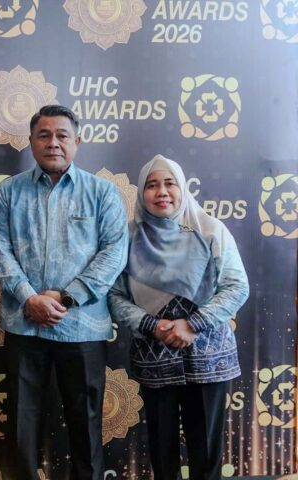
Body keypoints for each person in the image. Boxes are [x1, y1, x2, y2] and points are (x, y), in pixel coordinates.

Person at [0, 105, 128, 480]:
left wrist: (65, 298)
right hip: (25, 324)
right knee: (21, 422)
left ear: (76, 141)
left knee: (86, 422)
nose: (53, 143)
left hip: (83, 327)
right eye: (44, 135)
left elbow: (114, 253)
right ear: (31, 142)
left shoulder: (102, 193)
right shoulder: (9, 192)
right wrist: (30, 298)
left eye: (62, 135)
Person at [108, 154, 248, 480]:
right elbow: (113, 295)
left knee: (207, 452)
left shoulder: (210, 230)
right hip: (154, 357)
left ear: (183, 188)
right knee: (162, 452)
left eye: (170, 183)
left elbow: (237, 287)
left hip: (208, 359)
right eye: (152, 185)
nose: (162, 192)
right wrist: (151, 325)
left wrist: (193, 324)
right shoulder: (128, 237)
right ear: (141, 192)